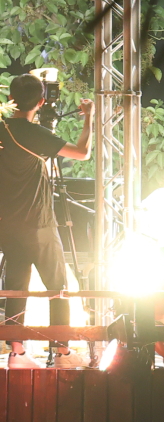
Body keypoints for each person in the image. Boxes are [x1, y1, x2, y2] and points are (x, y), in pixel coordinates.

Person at [0, 73, 90, 368]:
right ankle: (62, 351)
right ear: (40, 101)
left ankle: (17, 352)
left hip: (7, 222)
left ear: (10, 99)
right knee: (58, 287)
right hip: (38, 223)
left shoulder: (3, 129)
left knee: (16, 284)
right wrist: (89, 117)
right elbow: (82, 153)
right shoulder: (35, 134)